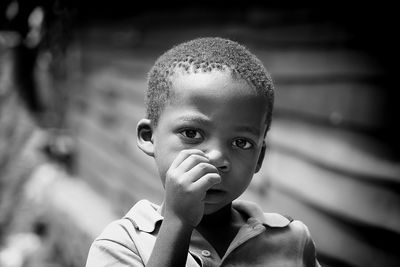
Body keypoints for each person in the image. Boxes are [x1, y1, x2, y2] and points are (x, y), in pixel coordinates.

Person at [85, 37, 321, 266]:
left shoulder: (292, 241)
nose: (217, 158)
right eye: (191, 134)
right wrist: (177, 223)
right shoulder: (122, 245)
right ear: (149, 137)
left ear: (259, 157)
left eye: (241, 142)